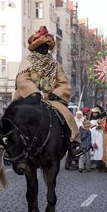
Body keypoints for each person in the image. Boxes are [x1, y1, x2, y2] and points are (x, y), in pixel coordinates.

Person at [13, 26, 82, 157]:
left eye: (46, 45)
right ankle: (11, 144)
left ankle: (74, 143)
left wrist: (53, 94)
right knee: (12, 117)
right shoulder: (26, 62)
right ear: (35, 47)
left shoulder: (55, 65)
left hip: (51, 99)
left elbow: (63, 83)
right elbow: (22, 80)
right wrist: (35, 93)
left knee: (67, 116)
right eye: (41, 45)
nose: (44, 48)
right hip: (28, 98)